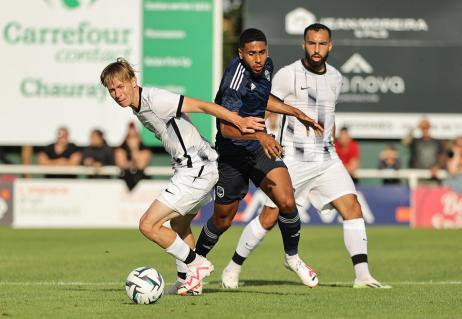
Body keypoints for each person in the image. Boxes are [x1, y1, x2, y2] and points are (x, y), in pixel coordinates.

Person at [220, 24, 391, 289]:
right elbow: (261, 105)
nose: (316, 49)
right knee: (268, 217)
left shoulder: (336, 77)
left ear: (330, 46)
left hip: (326, 159)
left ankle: (363, 276)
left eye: (322, 44)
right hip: (293, 160)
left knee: (352, 207)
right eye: (312, 43)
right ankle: (233, 268)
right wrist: (260, 139)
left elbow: (329, 114)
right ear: (304, 44)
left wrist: (329, 138)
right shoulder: (288, 75)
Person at [100, 57, 265, 296]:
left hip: (197, 168)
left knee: (148, 225)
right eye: (111, 90)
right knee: (179, 224)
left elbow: (203, 106)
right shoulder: (137, 107)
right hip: (193, 167)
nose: (117, 93)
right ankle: (188, 282)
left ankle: (197, 264)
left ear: (133, 81)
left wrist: (238, 120)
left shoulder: (155, 99)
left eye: (120, 86)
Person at [194, 28, 323, 289]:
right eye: (251, 53)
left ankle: (292, 258)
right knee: (222, 220)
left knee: (286, 200)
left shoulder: (266, 66)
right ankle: (193, 267)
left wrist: (295, 111)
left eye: (262, 52)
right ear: (241, 54)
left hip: (257, 149)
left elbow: (262, 99)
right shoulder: (234, 80)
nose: (258, 59)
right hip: (232, 153)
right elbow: (226, 128)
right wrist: (261, 136)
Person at [114, 122, 152, 189]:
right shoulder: (121, 150)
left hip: (141, 182)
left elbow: (141, 165)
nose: (132, 141)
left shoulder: (145, 151)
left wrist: (134, 150)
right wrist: (132, 163)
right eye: (130, 138)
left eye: (134, 137)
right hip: (124, 181)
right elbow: (122, 165)